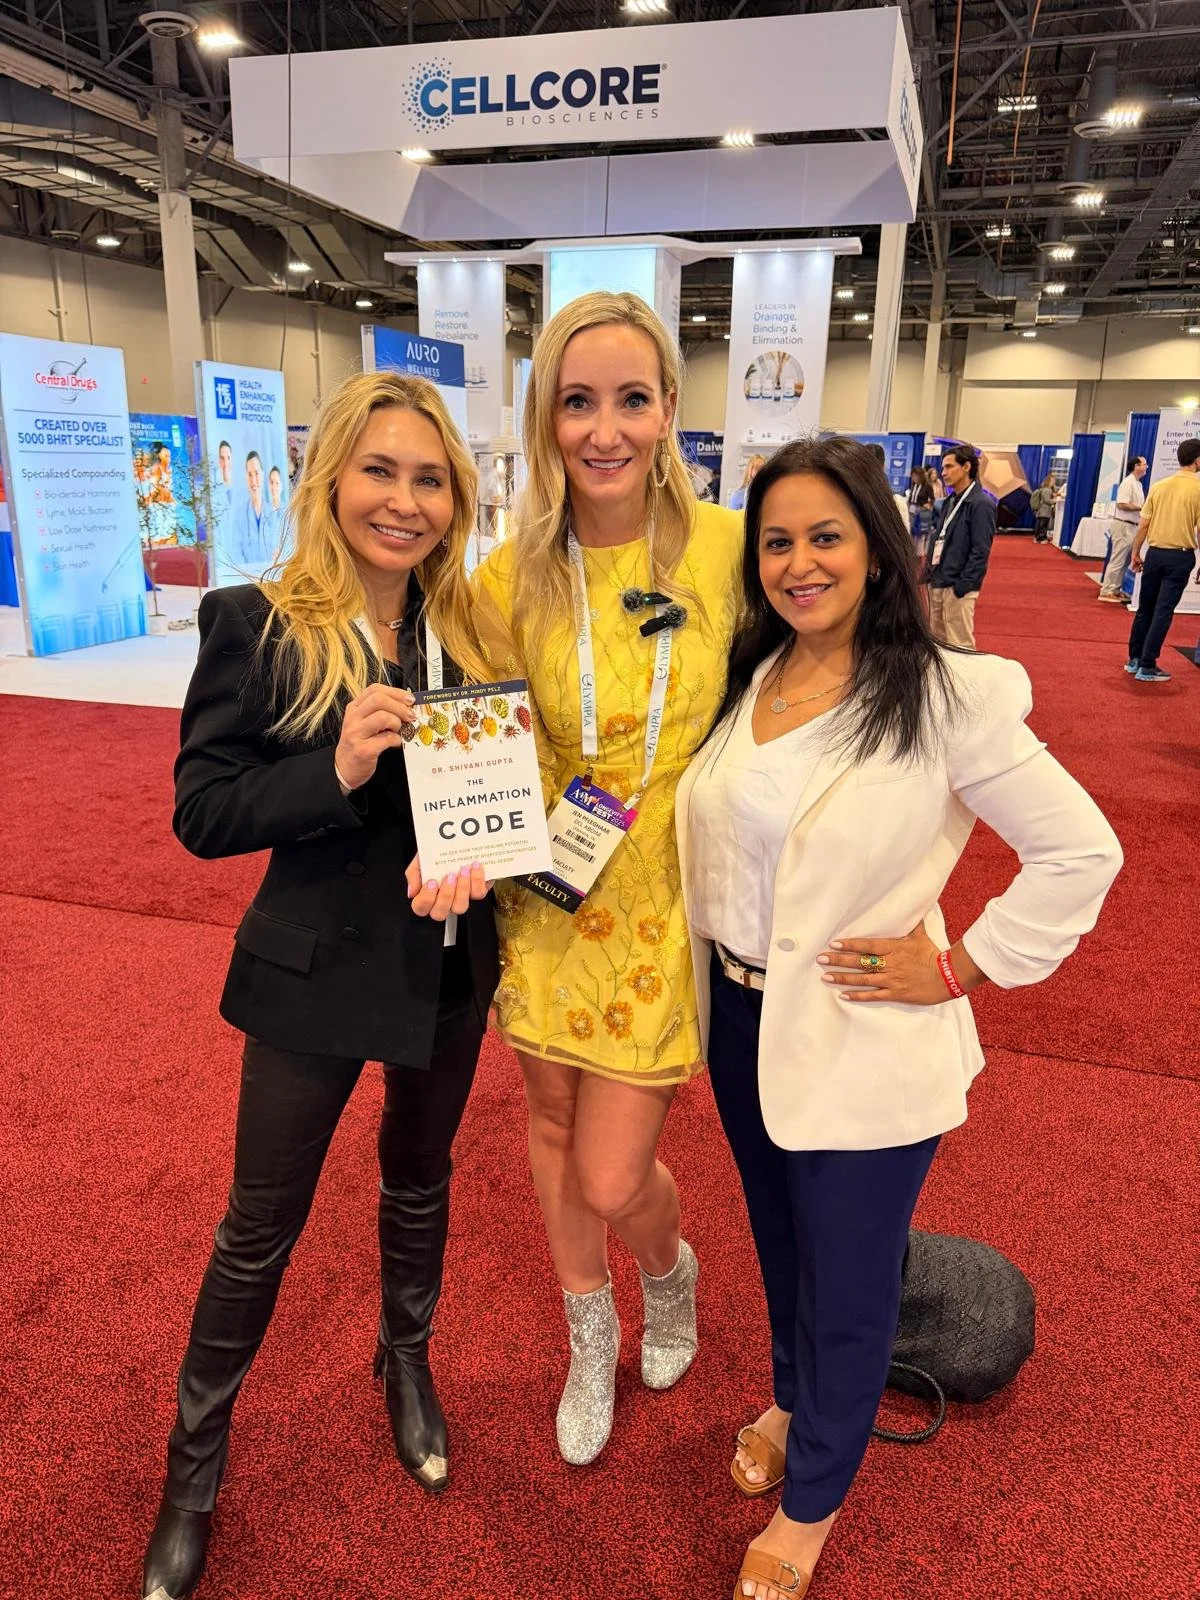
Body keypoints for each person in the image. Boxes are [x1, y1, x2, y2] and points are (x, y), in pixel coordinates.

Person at [675, 435, 1122, 1600]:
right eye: (776, 541)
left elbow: (1081, 850)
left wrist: (965, 963)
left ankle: (814, 1495)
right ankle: (789, 1394)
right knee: (779, 1246)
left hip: (861, 1031)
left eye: (827, 536)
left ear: (879, 549)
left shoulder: (942, 693)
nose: (798, 562)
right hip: (735, 1019)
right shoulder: (751, 675)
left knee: (852, 1272)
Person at [141, 372, 499, 1600]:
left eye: (429, 478)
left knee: (420, 1181)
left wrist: (492, 863)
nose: (403, 502)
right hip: (309, 974)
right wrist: (335, 766)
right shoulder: (255, 620)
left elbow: (492, 800)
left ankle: (406, 1363)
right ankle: (192, 1474)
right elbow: (201, 809)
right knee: (259, 1229)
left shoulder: (474, 632)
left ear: (456, 497)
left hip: (449, 971)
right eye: (380, 472)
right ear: (331, 479)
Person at [465, 291, 744, 1466]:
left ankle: (667, 1275)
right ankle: (591, 1332)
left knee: (616, 1164)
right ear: (546, 420)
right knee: (551, 1118)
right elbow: (477, 743)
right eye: (578, 402)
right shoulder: (501, 580)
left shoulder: (729, 549)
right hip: (546, 888)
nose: (606, 429)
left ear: (670, 408)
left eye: (632, 399)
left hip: (672, 882)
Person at [1125, 437, 1200, 682]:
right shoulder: (1198, 489)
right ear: (1197, 461)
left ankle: (1134, 659)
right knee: (1163, 611)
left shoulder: (1158, 486)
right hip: (1180, 556)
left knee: (1145, 608)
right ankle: (1148, 664)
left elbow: (1143, 525)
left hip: (1154, 554)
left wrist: (1136, 553)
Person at [923, 445, 996, 649]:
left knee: (960, 647)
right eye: (943, 467)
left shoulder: (981, 504)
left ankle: (962, 682)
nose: (944, 473)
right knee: (937, 646)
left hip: (958, 587)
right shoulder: (950, 501)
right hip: (938, 581)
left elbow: (980, 551)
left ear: (966, 467)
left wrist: (962, 587)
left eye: (949, 467)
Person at [1099, 454, 1147, 603]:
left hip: (1132, 525)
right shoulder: (1128, 483)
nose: (1146, 467)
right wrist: (1141, 507)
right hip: (1123, 524)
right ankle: (1107, 590)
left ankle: (1116, 588)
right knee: (1118, 559)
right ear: (1136, 466)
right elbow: (1121, 504)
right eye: (1144, 464)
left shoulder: (1138, 484)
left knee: (1125, 560)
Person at [229, 450, 271, 569]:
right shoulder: (239, 515)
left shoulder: (274, 514)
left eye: (257, 473)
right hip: (247, 579)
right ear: (245, 477)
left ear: (262, 474)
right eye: (250, 474)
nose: (254, 481)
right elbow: (236, 553)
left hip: (272, 577)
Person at [906, 465, 934, 552]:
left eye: (916, 475)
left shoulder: (927, 486)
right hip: (911, 512)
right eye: (913, 476)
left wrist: (928, 504)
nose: (914, 478)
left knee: (919, 537)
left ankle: (920, 558)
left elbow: (933, 498)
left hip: (921, 512)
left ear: (921, 475)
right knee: (911, 534)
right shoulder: (913, 485)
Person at [1029, 472, 1059, 544]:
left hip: (1041, 511)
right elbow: (1047, 500)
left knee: (1040, 525)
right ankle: (1041, 538)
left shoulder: (1044, 489)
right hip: (1044, 511)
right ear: (1049, 481)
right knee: (1043, 525)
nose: (1053, 483)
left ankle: (1037, 538)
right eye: (1052, 481)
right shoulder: (1047, 490)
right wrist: (1055, 501)